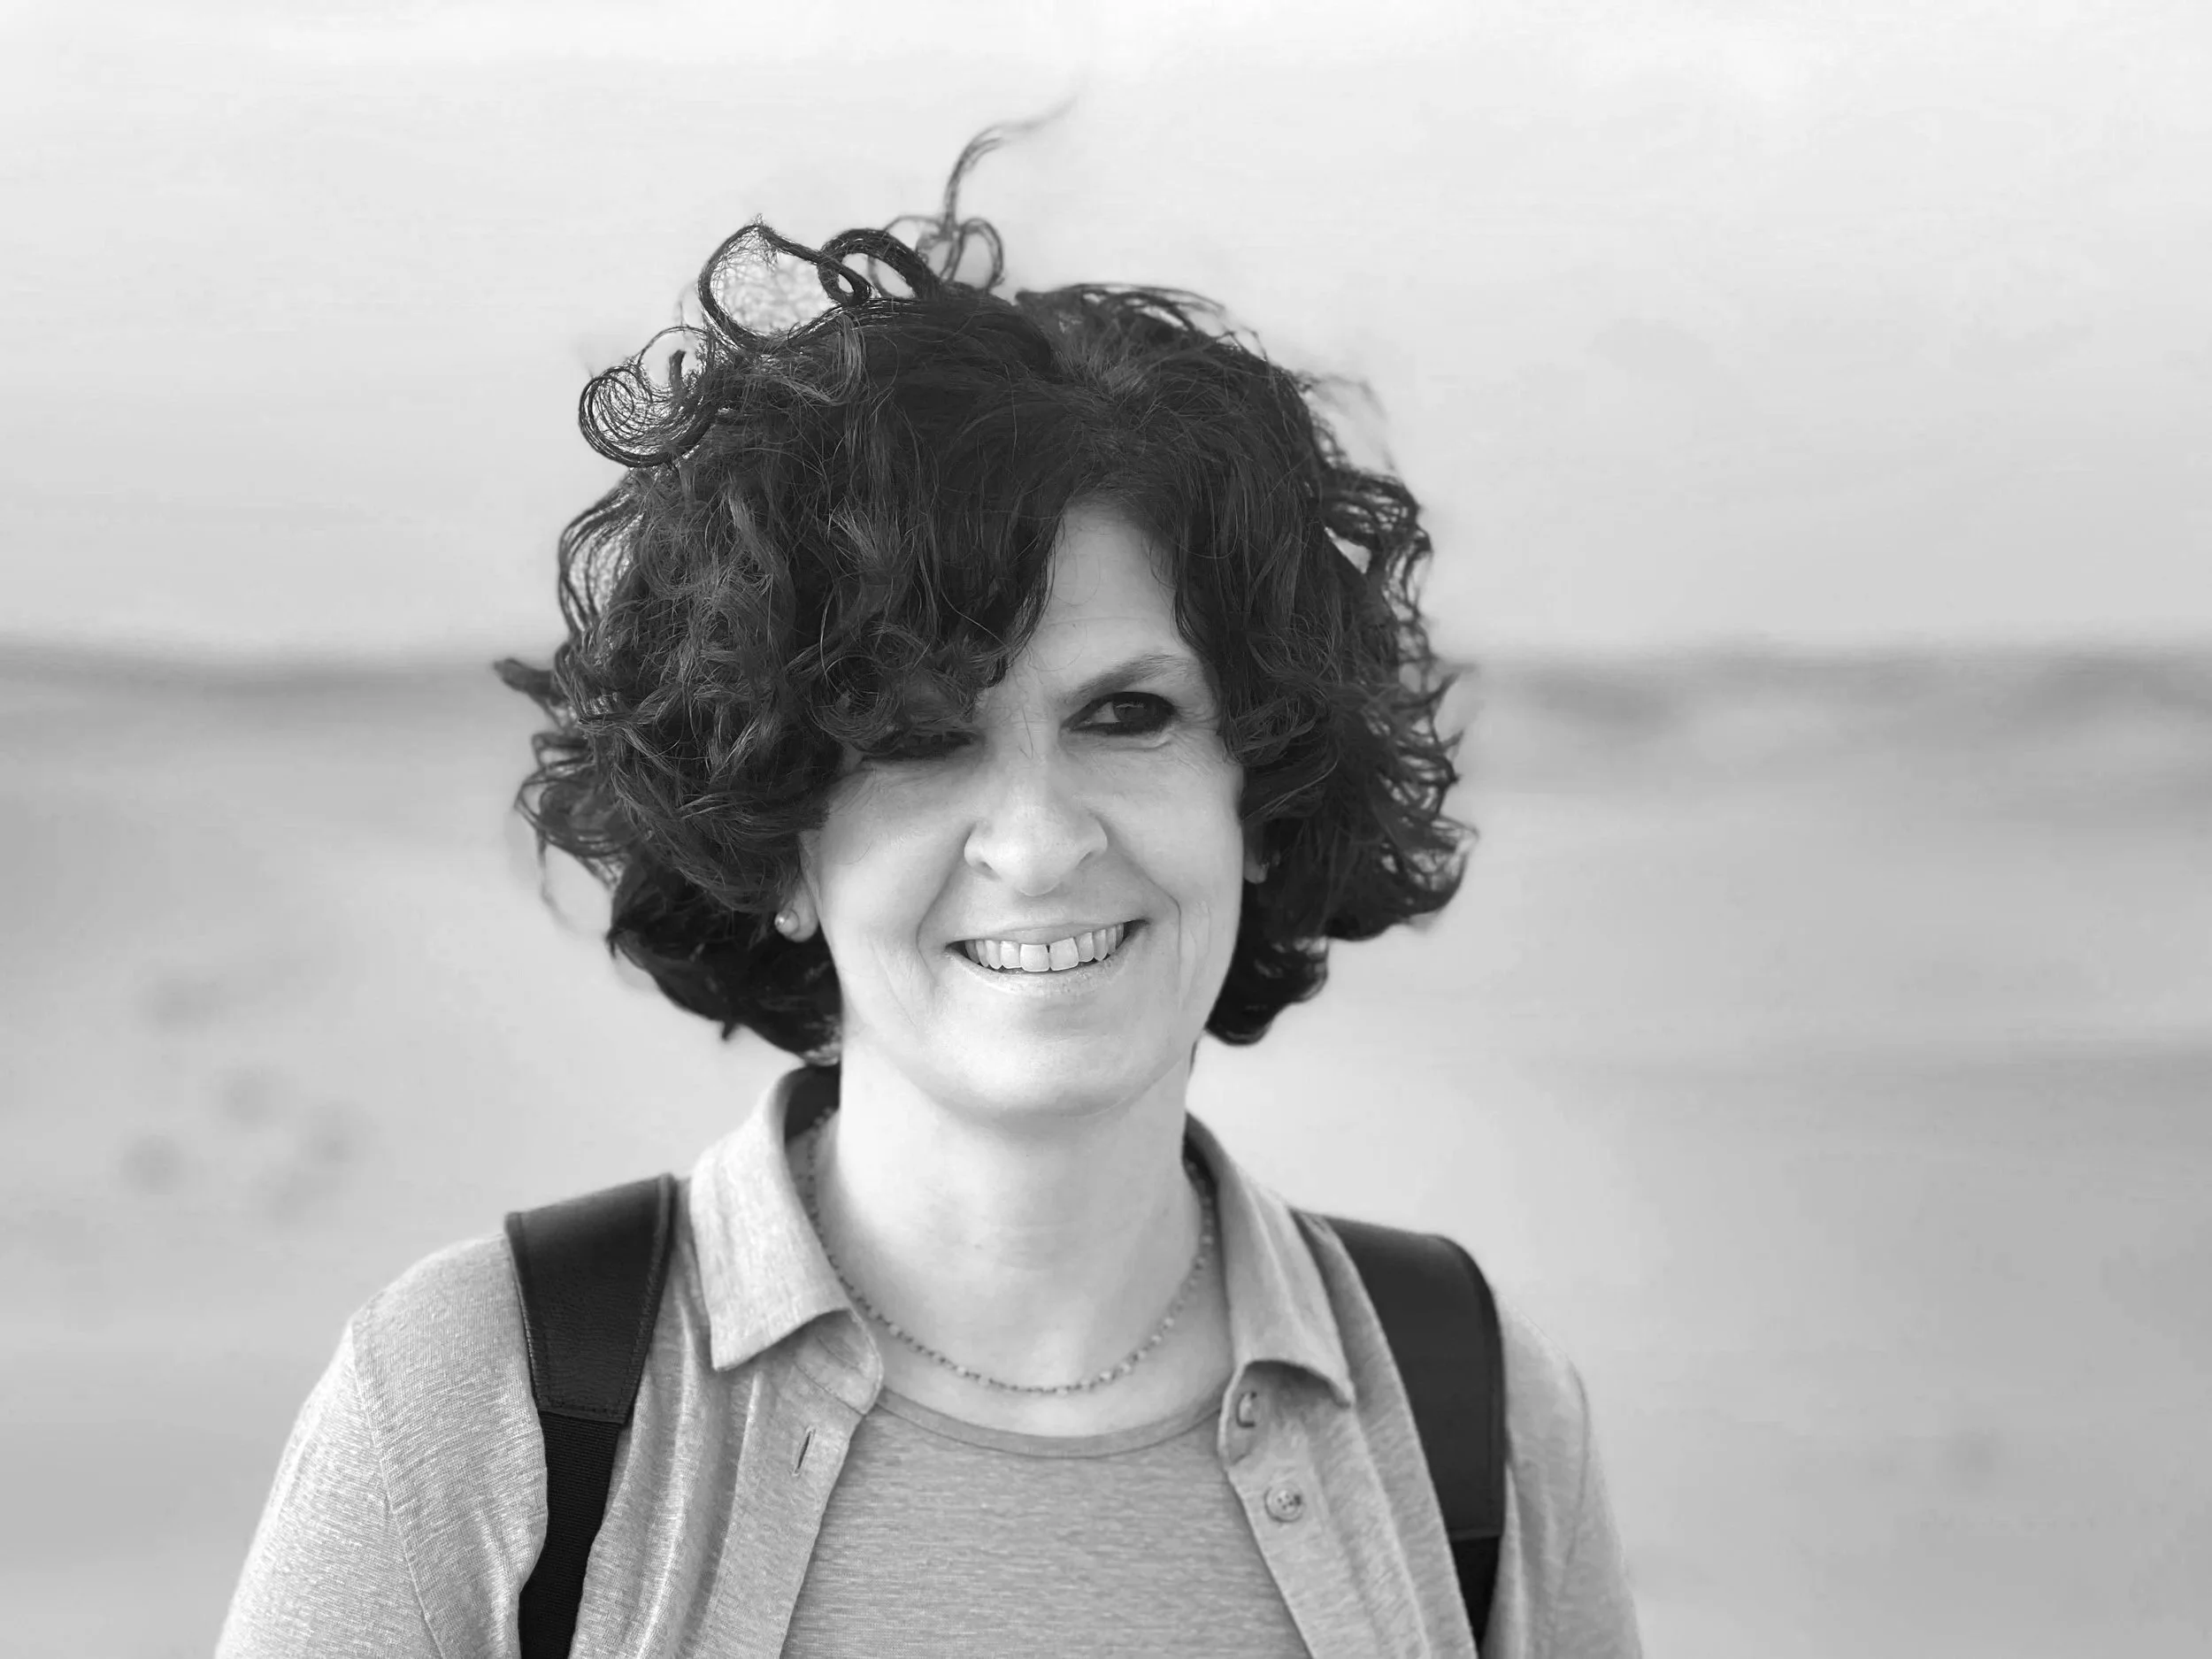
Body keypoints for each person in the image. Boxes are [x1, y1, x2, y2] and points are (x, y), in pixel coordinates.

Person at [219, 134, 1642, 1657]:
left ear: (1261, 787)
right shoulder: (475, 1401)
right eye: (913, 736)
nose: (1034, 840)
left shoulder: (1472, 1411)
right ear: (775, 836)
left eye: (1129, 713)